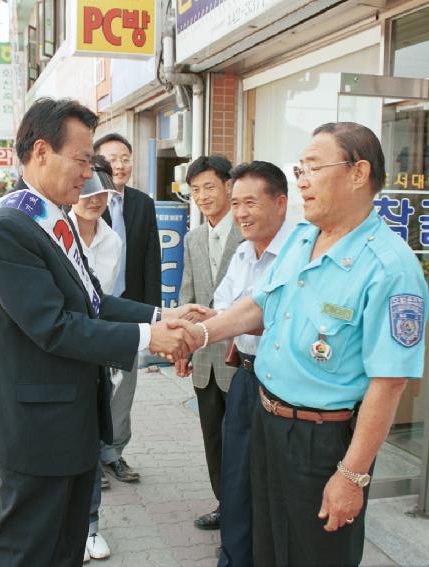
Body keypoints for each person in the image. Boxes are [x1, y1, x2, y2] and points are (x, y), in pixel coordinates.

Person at [173, 122, 429, 566]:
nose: (302, 180)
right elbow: (259, 303)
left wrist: (352, 476)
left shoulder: (390, 267)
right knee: (267, 545)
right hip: (268, 420)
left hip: (322, 439)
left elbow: (389, 384)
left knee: (316, 554)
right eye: (300, 168)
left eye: (313, 168)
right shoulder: (304, 239)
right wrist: (200, 334)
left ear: (357, 173)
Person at [0, 97, 201, 567]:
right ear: (40, 152)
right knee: (29, 550)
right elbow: (54, 327)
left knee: (64, 547)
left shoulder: (54, 217)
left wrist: (161, 316)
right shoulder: (7, 229)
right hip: (35, 430)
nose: (89, 174)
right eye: (80, 160)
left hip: (71, 421)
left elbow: (93, 300)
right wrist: (146, 340)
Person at [211, 161, 293, 566]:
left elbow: (268, 316)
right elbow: (223, 306)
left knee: (274, 481)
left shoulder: (299, 254)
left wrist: (222, 324)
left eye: (250, 203)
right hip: (244, 376)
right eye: (236, 203)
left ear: (281, 203)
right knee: (237, 477)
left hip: (282, 384)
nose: (240, 213)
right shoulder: (243, 251)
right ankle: (234, 558)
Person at [176, 155, 241, 531]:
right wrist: (183, 349)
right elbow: (188, 295)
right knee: (213, 441)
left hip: (241, 360)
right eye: (195, 190)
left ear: (229, 186)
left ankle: (242, 511)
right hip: (205, 362)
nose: (202, 196)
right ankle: (224, 505)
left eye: (209, 187)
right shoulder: (193, 238)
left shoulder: (247, 231)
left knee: (241, 443)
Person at [95, 132, 161, 484]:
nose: (119, 165)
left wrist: (154, 317)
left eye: (124, 158)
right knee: (94, 387)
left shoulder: (142, 203)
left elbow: (152, 258)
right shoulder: (87, 200)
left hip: (131, 311)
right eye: (111, 159)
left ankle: (114, 454)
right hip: (95, 312)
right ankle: (90, 459)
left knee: (125, 387)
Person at [68, 154, 121, 562]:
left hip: (95, 351)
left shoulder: (112, 240)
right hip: (66, 350)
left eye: (102, 194)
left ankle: (90, 527)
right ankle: (69, 529)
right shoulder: (56, 230)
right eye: (88, 193)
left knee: (90, 444)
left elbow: (100, 300)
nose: (95, 200)